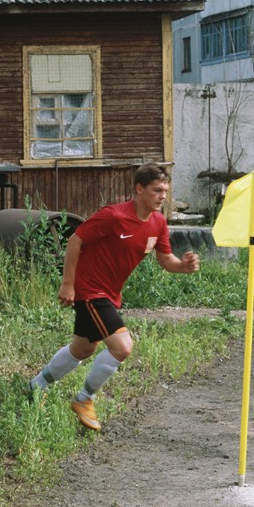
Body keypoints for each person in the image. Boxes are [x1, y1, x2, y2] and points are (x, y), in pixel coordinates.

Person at [29, 163, 200, 431]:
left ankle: (37, 385)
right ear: (139, 189)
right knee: (122, 347)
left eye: (165, 191)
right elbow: (76, 240)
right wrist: (68, 285)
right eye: (157, 190)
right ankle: (84, 399)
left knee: (83, 349)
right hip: (89, 290)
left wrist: (183, 266)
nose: (163, 196)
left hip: (110, 294)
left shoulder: (158, 222)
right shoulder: (114, 216)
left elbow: (166, 259)